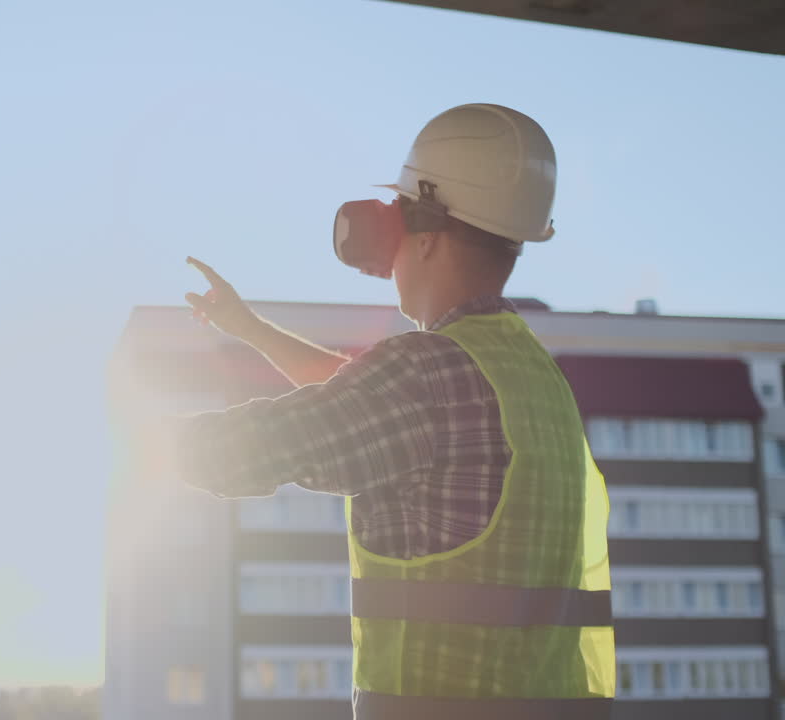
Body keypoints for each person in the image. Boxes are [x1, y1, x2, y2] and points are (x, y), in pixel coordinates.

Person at [165, 104, 615, 719]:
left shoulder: (424, 375)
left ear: (424, 233)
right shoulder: (532, 378)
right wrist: (249, 328)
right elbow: (367, 403)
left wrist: (125, 439)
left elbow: (251, 449)